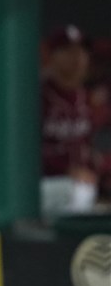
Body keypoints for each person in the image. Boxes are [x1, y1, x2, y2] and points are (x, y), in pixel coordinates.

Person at [40, 25, 100, 216]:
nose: (77, 57)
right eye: (68, 50)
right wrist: (68, 170)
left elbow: (87, 148)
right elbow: (25, 151)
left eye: (82, 50)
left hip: (80, 184)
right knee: (80, 192)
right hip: (42, 183)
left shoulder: (87, 98)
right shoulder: (37, 97)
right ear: (52, 56)